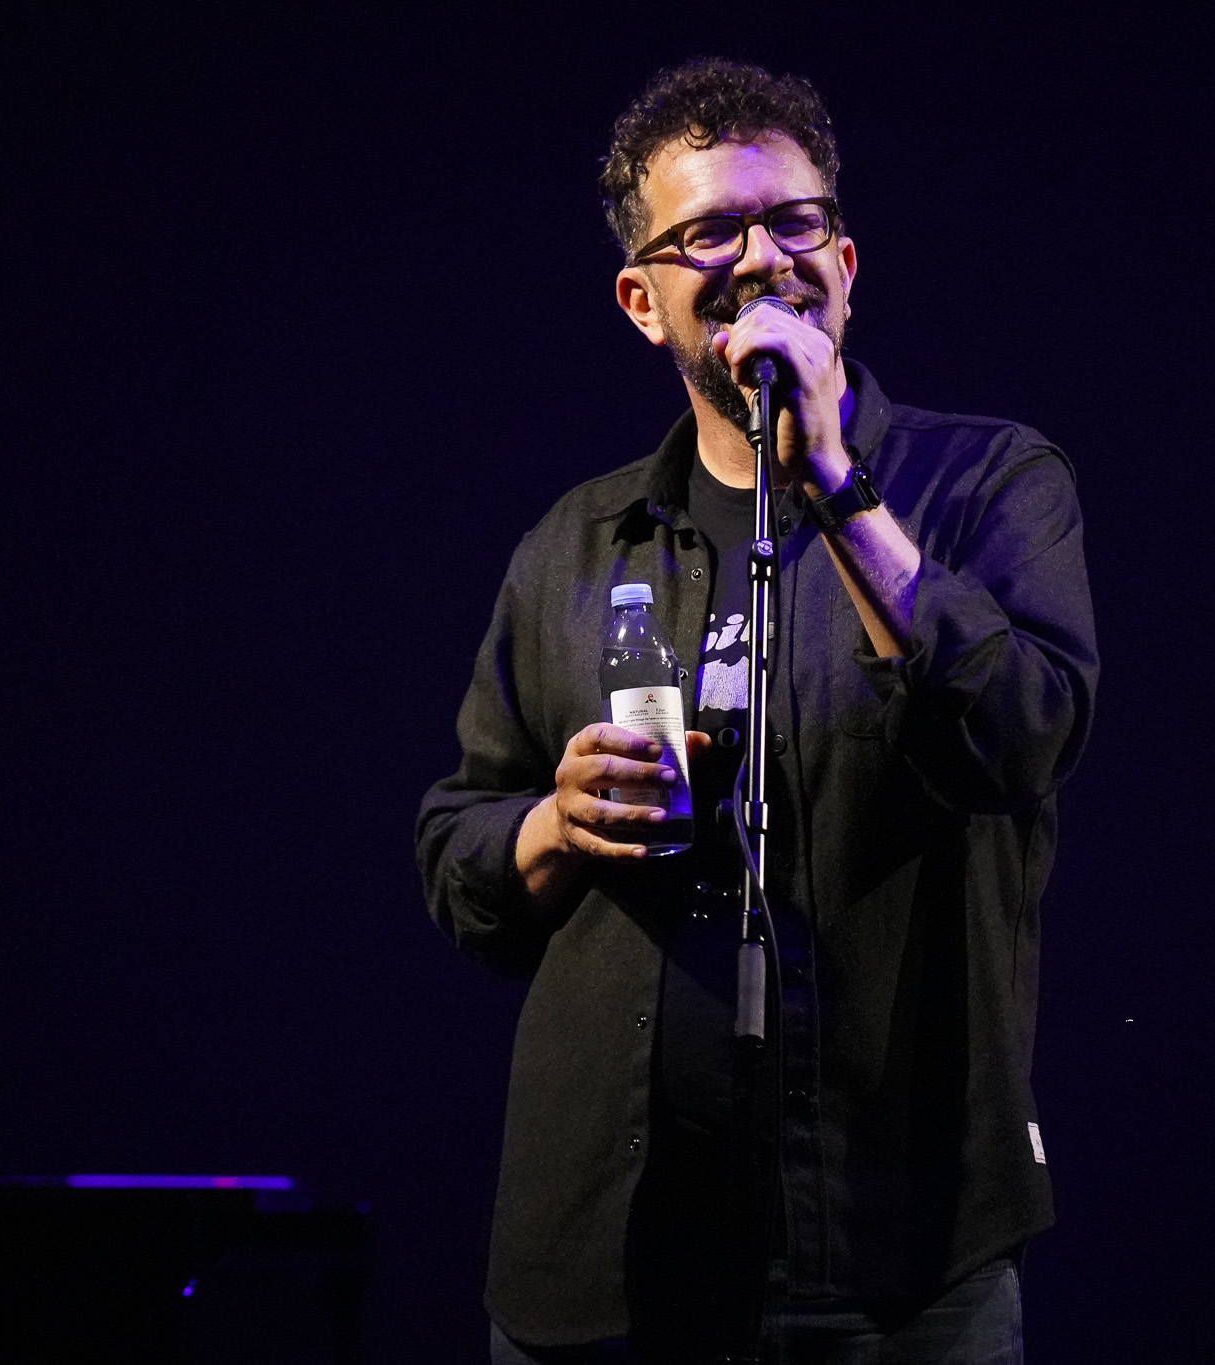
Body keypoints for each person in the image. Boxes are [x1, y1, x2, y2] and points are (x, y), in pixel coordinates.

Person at [416, 58, 1097, 1364]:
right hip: (609, 1265)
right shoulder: (577, 543)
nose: (763, 259)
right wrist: (555, 825)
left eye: (794, 222)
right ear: (642, 299)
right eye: (712, 232)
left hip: (894, 1256)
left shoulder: (986, 484)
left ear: (846, 261)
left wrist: (835, 482)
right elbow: (458, 849)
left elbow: (1021, 737)